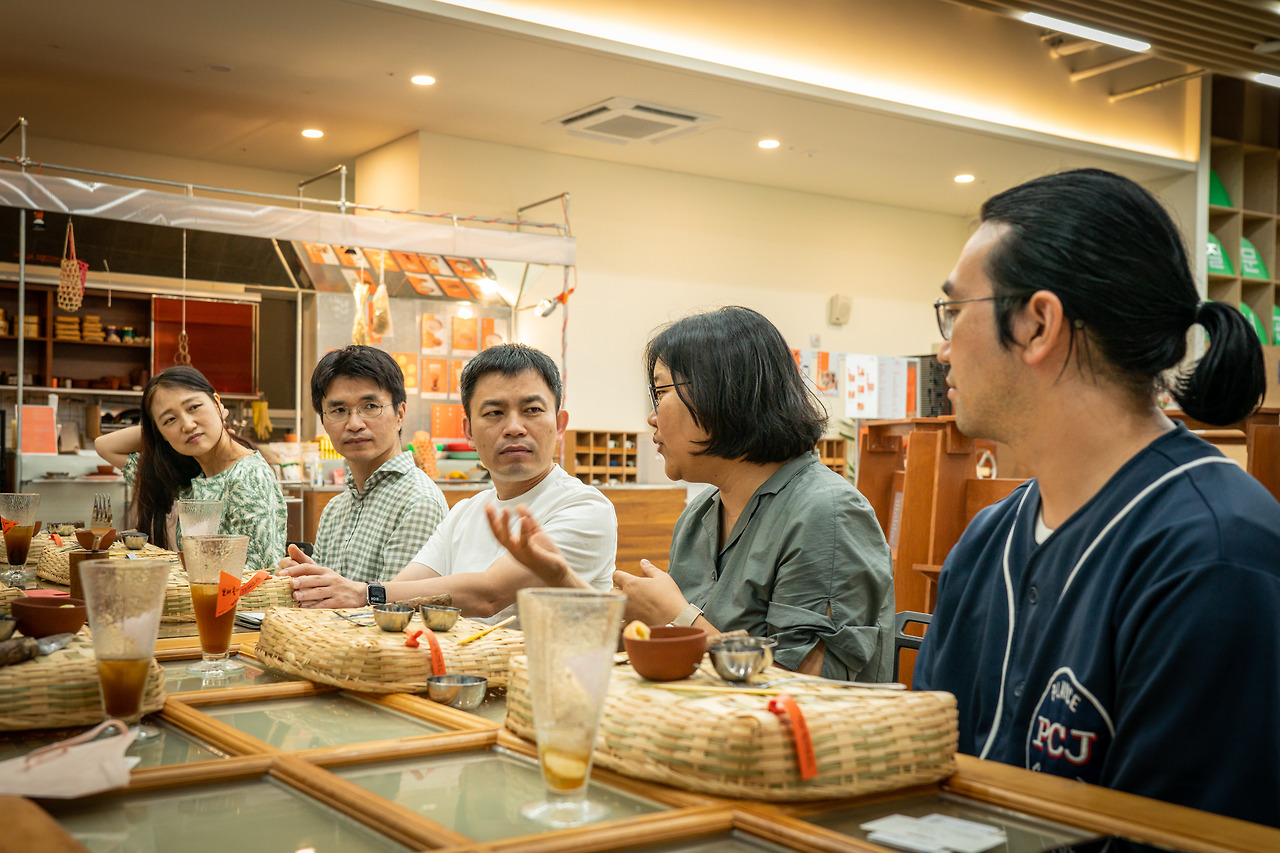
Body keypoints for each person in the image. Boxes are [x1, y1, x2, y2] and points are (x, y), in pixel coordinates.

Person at [911, 169, 1280, 827]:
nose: (943, 349)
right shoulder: (987, 541)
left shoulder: (1215, 555)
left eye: (955, 312)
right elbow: (921, 777)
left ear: (1038, 323)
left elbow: (1176, 838)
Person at [491, 307, 894, 681]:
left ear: (723, 395)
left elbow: (810, 689)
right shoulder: (702, 513)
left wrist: (676, 616)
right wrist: (560, 577)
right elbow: (655, 646)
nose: (652, 416)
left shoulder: (828, 512)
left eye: (660, 393)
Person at [278, 344, 617, 622]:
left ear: (559, 425)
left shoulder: (585, 507)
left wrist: (362, 593)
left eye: (531, 410)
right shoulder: (465, 513)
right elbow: (402, 592)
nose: (514, 427)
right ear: (468, 431)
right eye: (494, 413)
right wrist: (323, 587)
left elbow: (489, 594)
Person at [276, 346, 448, 584]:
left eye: (370, 407)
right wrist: (302, 579)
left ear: (400, 414)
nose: (354, 424)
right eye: (339, 410)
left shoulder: (419, 502)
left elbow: (396, 604)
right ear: (323, 421)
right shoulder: (335, 509)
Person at [95, 365, 286, 571]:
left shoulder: (248, 475)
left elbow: (259, 572)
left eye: (193, 407)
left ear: (217, 403)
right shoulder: (189, 475)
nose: (187, 425)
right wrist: (155, 432)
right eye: (170, 419)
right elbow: (104, 446)